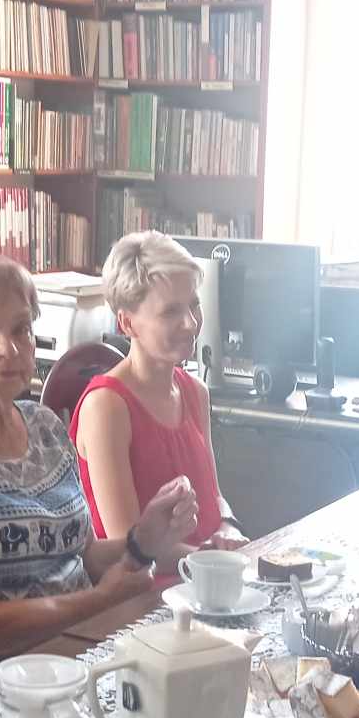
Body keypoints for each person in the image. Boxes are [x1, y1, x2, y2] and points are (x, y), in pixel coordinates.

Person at [0, 257, 198, 702]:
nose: (8, 349)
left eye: (20, 330)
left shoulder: (43, 426)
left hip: (71, 665)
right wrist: (102, 600)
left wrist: (141, 541)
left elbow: (81, 556)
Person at [71, 232, 245, 549]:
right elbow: (127, 547)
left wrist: (228, 525)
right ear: (127, 324)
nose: (190, 323)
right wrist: (209, 558)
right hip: (150, 579)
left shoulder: (196, 392)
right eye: (170, 312)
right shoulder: (106, 407)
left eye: (194, 305)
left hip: (204, 570)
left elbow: (214, 497)